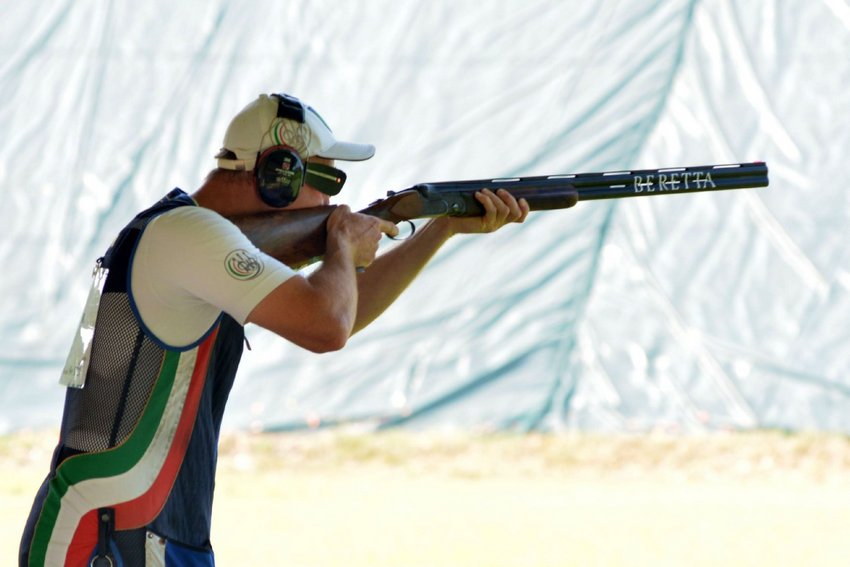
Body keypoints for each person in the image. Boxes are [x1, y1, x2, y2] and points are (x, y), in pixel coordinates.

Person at [19, 92, 529, 566]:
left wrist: (443, 228)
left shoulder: (191, 234)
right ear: (278, 173)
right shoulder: (187, 233)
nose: (335, 203)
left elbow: (339, 317)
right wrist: (342, 249)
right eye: (327, 182)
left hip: (146, 529)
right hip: (106, 533)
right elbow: (325, 326)